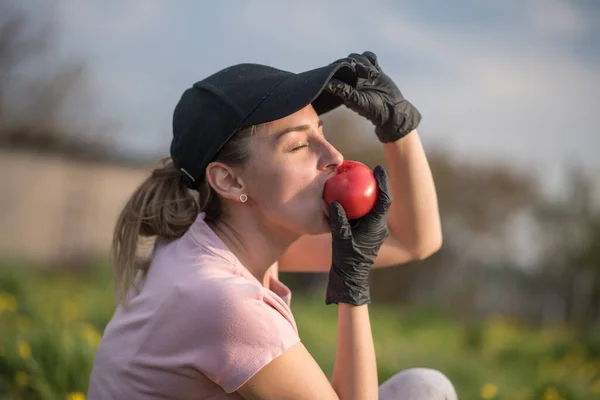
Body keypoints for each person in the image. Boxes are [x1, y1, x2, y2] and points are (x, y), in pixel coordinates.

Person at [87, 51, 457, 400]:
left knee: (421, 388)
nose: (335, 156)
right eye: (298, 146)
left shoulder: (219, 242)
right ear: (230, 182)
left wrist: (399, 127)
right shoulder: (224, 301)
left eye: (321, 132)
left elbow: (415, 241)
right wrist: (352, 286)